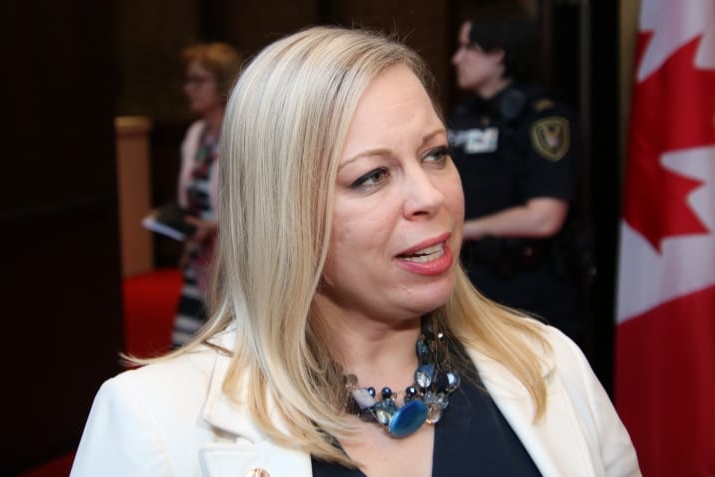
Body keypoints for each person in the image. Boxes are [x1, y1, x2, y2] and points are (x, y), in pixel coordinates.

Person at [71, 26, 638, 476]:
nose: (430, 196)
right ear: (282, 212)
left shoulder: (550, 364)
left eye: (436, 154)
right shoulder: (153, 419)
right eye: (371, 177)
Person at [447, 2, 587, 345]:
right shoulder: (462, 115)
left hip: (525, 286)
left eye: (467, 47)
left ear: (497, 54)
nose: (456, 58)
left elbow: (544, 217)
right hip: (466, 282)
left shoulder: (542, 119)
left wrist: (463, 230)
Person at [171, 42, 241, 347]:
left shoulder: (239, 133)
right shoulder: (195, 135)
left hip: (233, 265)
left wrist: (213, 226)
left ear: (222, 84)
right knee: (187, 349)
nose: (189, 89)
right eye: (188, 80)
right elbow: (191, 198)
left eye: (199, 81)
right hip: (200, 262)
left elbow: (250, 204)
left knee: (227, 350)